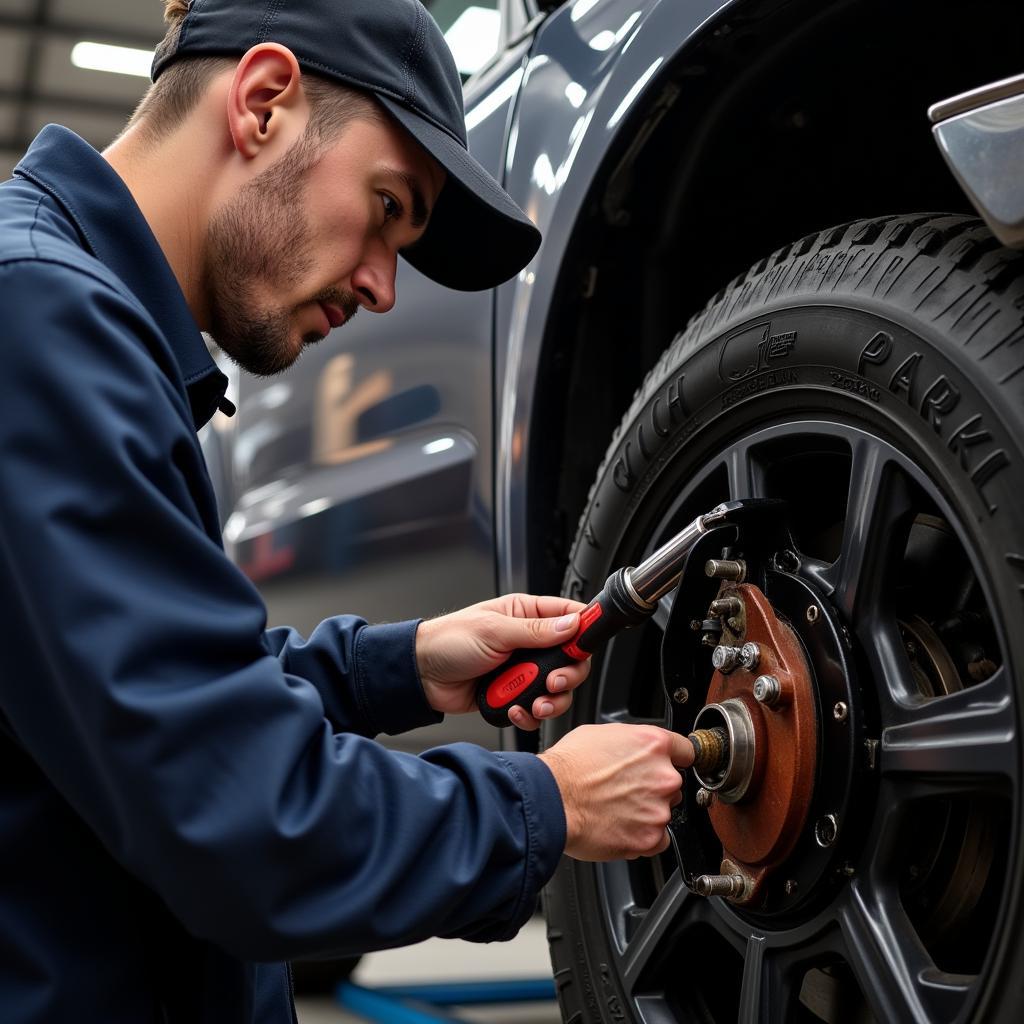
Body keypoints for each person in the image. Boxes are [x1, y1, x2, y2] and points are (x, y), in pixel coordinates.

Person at [0, 0, 694, 1020]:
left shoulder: (72, 319)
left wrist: (398, 666)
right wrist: (548, 803)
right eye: (385, 208)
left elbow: (134, 708)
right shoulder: (41, 327)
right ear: (265, 101)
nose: (382, 288)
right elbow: (237, 816)